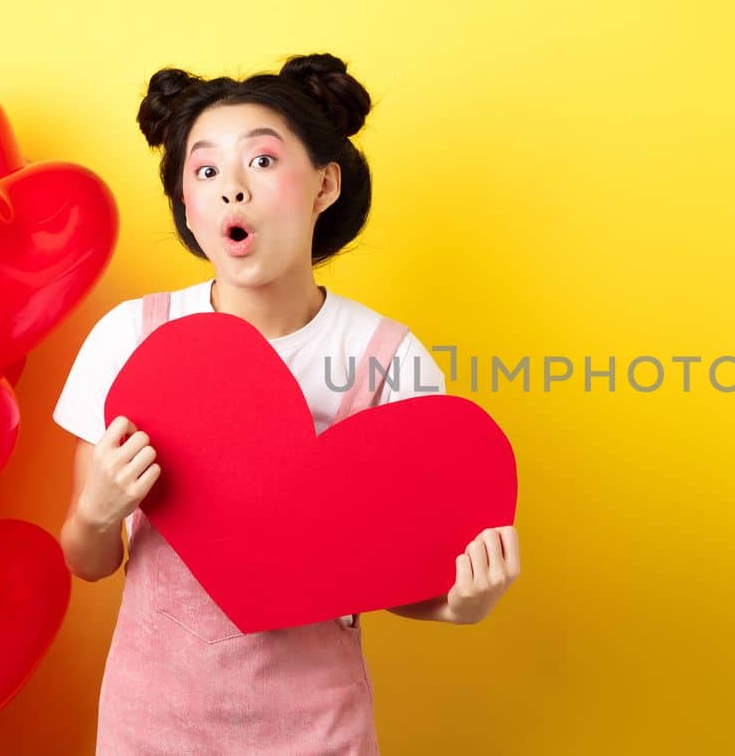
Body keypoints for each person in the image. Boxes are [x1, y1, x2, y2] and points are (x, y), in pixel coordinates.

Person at [50, 53, 521, 755]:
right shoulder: (133, 339)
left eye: (263, 162)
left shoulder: (387, 360)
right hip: (149, 723)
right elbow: (86, 559)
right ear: (187, 203)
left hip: (316, 728)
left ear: (325, 183)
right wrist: (97, 510)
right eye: (206, 172)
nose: (231, 190)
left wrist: (455, 603)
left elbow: (387, 573)